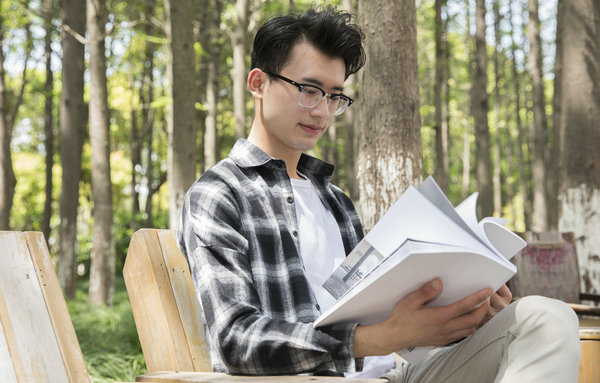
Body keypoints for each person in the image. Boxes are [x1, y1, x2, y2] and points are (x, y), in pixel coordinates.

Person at [178, 6, 581, 382]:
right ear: (258, 83)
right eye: (309, 89)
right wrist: (371, 339)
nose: (321, 111)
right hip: (312, 379)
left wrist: (464, 314)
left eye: (335, 96)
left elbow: (396, 330)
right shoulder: (221, 194)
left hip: (396, 373)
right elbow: (235, 339)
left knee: (545, 318)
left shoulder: (335, 202)